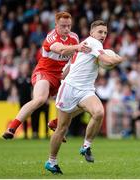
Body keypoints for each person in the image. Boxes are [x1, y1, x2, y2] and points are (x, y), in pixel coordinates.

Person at [45, 20, 125, 174]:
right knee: (62, 128)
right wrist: (120, 59)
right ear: (92, 33)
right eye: (100, 32)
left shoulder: (85, 44)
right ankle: (51, 161)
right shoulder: (94, 43)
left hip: (86, 89)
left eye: (105, 33)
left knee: (99, 112)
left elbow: (68, 67)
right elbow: (107, 60)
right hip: (70, 89)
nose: (102, 35)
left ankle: (86, 146)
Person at [2, 11, 91, 140]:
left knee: (82, 102)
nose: (66, 29)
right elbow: (61, 49)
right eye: (63, 26)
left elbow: (72, 59)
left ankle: (56, 123)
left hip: (61, 76)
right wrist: (78, 47)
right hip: (44, 72)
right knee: (40, 99)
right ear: (56, 25)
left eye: (69, 26)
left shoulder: (74, 38)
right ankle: (12, 127)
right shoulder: (51, 37)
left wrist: (67, 73)